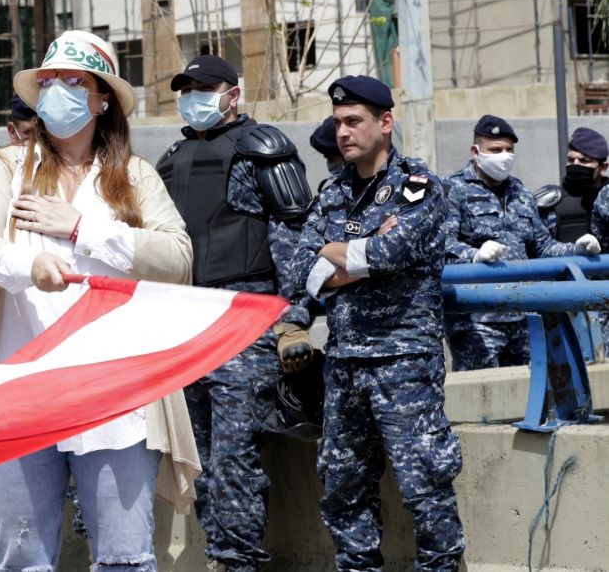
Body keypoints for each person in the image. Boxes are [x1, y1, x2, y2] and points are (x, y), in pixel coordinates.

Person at [0, 30, 197, 571]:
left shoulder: (134, 176)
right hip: (21, 391)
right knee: (22, 559)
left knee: (124, 557)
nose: (57, 92)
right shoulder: (6, 166)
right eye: (48, 81)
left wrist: (83, 230)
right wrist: (28, 265)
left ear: (101, 98)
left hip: (113, 395)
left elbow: (177, 256)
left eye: (73, 81)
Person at [295, 75, 465, 570]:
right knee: (344, 490)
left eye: (354, 121)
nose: (343, 132)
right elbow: (300, 269)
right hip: (345, 363)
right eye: (337, 122)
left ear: (385, 123)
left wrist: (338, 260)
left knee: (425, 488)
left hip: (404, 361)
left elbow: (395, 250)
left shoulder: (419, 187)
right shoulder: (331, 194)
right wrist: (356, 258)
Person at [156, 54, 314, 571]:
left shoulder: (262, 150)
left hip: (244, 320)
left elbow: (294, 238)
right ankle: (221, 558)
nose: (193, 97)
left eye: (205, 88)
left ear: (233, 94)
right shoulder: (171, 160)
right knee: (196, 459)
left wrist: (293, 318)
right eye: (186, 89)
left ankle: (238, 561)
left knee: (234, 459)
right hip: (186, 324)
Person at [441, 115, 597, 371]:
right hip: (477, 320)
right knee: (485, 398)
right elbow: (442, 244)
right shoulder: (452, 189)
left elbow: (542, 247)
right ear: (475, 151)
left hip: (523, 313)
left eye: (509, 150)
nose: (504, 156)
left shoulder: (520, 192)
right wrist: (475, 255)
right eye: (496, 150)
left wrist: (577, 249)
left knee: (530, 394)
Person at [538, 127, 608, 241]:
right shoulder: (549, 201)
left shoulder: (606, 198)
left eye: (584, 160)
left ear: (603, 167)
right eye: (571, 160)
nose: (575, 165)